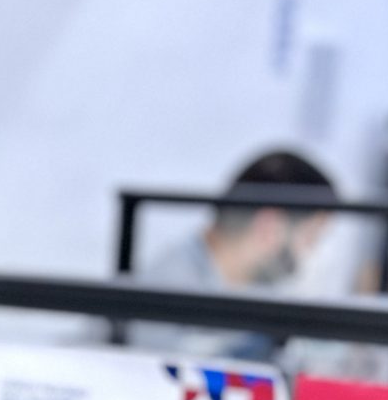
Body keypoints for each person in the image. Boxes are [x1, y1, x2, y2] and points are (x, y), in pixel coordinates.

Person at [128, 148, 337, 361]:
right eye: (310, 237)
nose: (310, 252)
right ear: (269, 227)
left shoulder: (261, 291)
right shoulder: (166, 295)